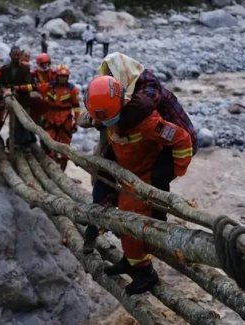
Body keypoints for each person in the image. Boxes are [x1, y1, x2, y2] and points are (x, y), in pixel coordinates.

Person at [84, 75, 193, 295]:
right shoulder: (112, 116)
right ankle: (131, 261)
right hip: (126, 177)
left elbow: (182, 139)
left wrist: (169, 172)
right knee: (125, 223)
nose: (105, 125)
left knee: (136, 225)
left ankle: (146, 273)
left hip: (143, 180)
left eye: (107, 120)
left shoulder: (147, 122)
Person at [80, 52, 197, 252]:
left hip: (171, 140)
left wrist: (107, 117)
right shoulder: (117, 91)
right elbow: (96, 111)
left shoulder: (146, 87)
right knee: (105, 170)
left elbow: (139, 111)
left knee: (158, 179)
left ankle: (159, 226)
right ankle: (102, 217)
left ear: (121, 72)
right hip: (141, 140)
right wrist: (96, 117)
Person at [42, 64, 80, 170]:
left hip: (65, 121)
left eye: (64, 77)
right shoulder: (49, 87)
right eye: (60, 76)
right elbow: (37, 89)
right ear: (56, 76)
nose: (62, 79)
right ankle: (50, 168)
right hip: (51, 119)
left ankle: (62, 171)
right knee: (48, 143)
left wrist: (76, 122)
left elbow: (76, 107)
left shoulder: (72, 90)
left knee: (65, 147)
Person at [0, 46, 36, 149]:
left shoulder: (25, 69)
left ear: (20, 56)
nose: (16, 57)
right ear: (10, 55)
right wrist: (5, 90)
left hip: (24, 101)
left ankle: (26, 146)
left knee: (25, 123)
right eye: (14, 55)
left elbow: (32, 86)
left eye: (18, 55)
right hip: (11, 101)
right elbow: (0, 83)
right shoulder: (4, 69)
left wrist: (18, 88)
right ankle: (14, 144)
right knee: (13, 124)